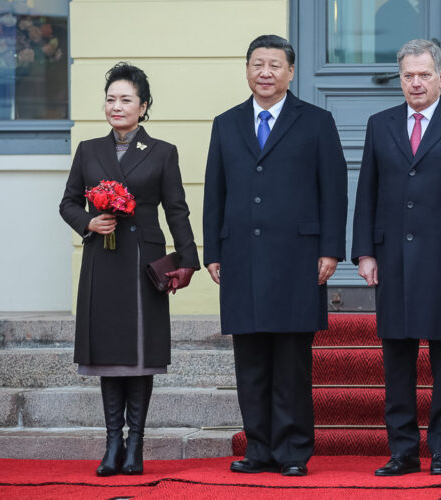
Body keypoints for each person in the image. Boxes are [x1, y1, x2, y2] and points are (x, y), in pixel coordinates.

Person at [203, 34, 348, 477]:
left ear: (290, 72)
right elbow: (215, 192)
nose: (265, 73)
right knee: (250, 362)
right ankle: (259, 448)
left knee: (290, 362)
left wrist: (330, 250)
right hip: (241, 257)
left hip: (297, 258)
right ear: (247, 70)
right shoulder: (226, 123)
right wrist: (214, 250)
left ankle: (293, 452)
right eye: (257, 64)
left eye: (274, 65)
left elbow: (334, 191)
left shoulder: (316, 121)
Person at [352, 39, 441, 476]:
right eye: (408, 75)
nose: (416, 82)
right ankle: (403, 451)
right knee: (397, 358)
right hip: (391, 257)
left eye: (424, 74)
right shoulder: (380, 124)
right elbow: (367, 192)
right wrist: (364, 252)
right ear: (400, 79)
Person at [59, 62, 199, 476]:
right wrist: (88, 222)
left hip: (142, 261)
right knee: (109, 355)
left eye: (126, 100)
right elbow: (68, 202)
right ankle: (111, 444)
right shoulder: (88, 150)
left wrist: (189, 260)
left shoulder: (162, 152)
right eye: (110, 99)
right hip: (103, 260)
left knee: (139, 356)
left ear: (144, 106)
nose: (116, 106)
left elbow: (177, 209)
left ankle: (136, 444)